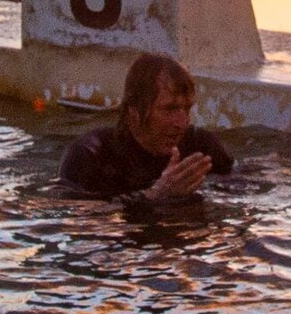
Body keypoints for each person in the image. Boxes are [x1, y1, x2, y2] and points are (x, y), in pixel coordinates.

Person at [58, 50, 233, 203]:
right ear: (133, 110)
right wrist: (158, 193)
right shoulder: (91, 155)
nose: (182, 123)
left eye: (187, 108)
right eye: (169, 109)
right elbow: (79, 220)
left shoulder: (200, 148)